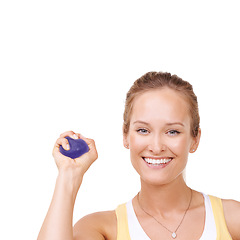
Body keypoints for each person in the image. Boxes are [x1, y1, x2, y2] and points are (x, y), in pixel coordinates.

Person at [38, 72, 240, 240]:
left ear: (194, 139)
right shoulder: (103, 228)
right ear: (126, 136)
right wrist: (69, 175)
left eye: (172, 132)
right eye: (143, 130)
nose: (156, 146)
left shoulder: (232, 218)